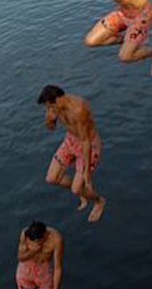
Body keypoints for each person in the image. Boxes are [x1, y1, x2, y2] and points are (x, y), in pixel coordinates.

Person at [37, 84, 106, 222]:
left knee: (76, 189)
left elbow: (85, 141)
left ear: (57, 100)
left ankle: (99, 201)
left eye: (50, 106)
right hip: (70, 140)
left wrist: (86, 171)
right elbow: (51, 128)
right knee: (51, 178)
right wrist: (48, 119)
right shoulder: (55, 108)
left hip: (88, 145)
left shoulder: (78, 109)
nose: (49, 109)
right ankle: (82, 191)